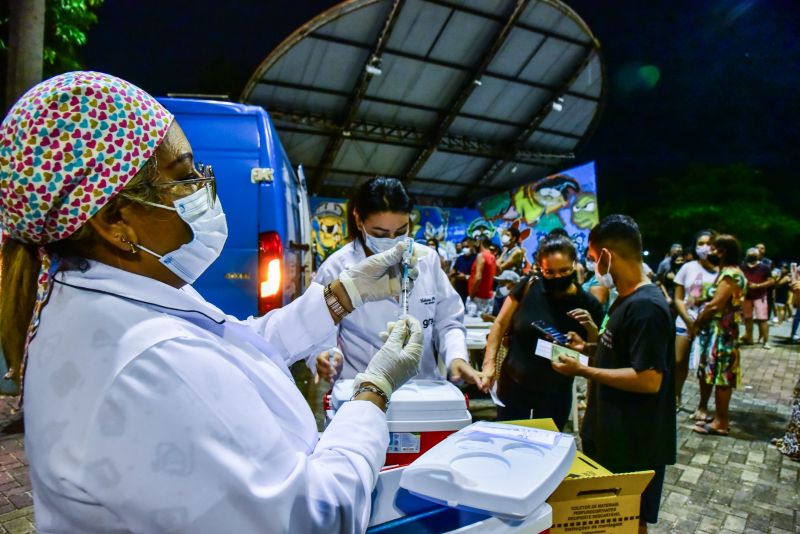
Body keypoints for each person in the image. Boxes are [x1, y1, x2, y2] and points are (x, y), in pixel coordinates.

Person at [0, 72, 426, 533]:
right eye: (184, 176)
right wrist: (374, 392)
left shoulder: (110, 290)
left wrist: (344, 296)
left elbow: (238, 344)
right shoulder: (148, 367)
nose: (205, 187)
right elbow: (314, 516)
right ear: (116, 220)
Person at [552, 214, 676, 533]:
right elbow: (617, 351)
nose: (593, 266)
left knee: (629, 518)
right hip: (610, 431)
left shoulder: (647, 307)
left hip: (634, 439)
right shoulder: (624, 297)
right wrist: (588, 346)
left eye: (593, 259)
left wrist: (583, 369)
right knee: (611, 518)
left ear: (607, 256)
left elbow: (650, 380)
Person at [314, 177, 484, 388]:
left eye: (401, 231)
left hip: (423, 388)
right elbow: (319, 330)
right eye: (380, 233)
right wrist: (326, 355)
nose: (392, 240)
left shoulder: (427, 260)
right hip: (361, 390)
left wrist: (456, 357)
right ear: (359, 220)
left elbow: (447, 320)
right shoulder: (336, 268)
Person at [482, 233, 603, 430]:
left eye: (564, 271)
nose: (557, 277)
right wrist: (488, 364)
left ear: (575, 264)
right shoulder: (529, 286)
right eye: (550, 272)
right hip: (514, 386)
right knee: (508, 447)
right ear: (540, 267)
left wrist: (590, 331)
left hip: (555, 393)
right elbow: (499, 324)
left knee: (547, 451)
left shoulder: (589, 305)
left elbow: (593, 357)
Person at [692, 234, 747, 437]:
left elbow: (716, 304)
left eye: (713, 248)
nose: (710, 251)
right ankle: (719, 419)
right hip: (721, 331)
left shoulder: (730, 274)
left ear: (723, 251)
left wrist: (697, 323)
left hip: (721, 333)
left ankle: (721, 421)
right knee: (717, 374)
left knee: (722, 377)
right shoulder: (728, 272)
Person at [673, 230, 718, 416]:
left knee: (705, 366)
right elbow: (678, 298)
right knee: (677, 361)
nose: (704, 247)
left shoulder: (721, 271)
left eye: (709, 243)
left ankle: (703, 405)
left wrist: (700, 321)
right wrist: (688, 319)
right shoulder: (688, 267)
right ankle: (675, 397)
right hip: (685, 322)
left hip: (709, 326)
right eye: (700, 243)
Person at [740, 247, 774, 349]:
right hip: (746, 296)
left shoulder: (764, 267)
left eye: (753, 254)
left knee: (762, 319)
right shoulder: (742, 267)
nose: (751, 256)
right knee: (748, 318)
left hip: (760, 296)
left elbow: (771, 281)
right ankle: (749, 338)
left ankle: (766, 341)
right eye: (749, 254)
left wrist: (758, 285)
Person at [468, 236, 497, 315]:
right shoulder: (492, 256)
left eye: (475, 242)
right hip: (488, 297)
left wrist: (472, 294)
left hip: (478, 297)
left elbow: (478, 278)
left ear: (479, 242)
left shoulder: (481, 256)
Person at [449, 237, 475, 303]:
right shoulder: (460, 258)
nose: (464, 249)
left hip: (471, 291)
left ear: (472, 246)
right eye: (463, 247)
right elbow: (454, 270)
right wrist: (451, 274)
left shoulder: (477, 258)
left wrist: (466, 277)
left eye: (467, 246)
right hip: (459, 290)